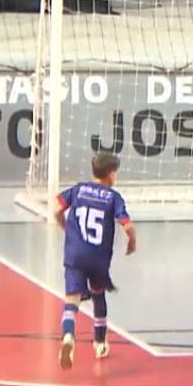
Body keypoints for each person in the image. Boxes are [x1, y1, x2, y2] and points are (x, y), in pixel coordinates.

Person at [55, 152, 136, 370]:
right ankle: (99, 342)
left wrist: (65, 226)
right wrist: (132, 242)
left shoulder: (78, 189)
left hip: (74, 254)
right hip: (98, 258)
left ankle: (68, 337)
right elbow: (127, 225)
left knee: (71, 301)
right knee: (98, 295)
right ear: (111, 174)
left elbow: (57, 208)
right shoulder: (113, 197)